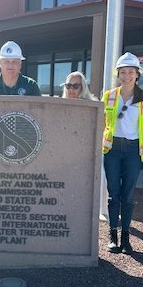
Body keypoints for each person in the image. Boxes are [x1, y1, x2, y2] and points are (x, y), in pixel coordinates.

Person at [101, 52, 143, 255]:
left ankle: (126, 237)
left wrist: (137, 143)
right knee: (113, 193)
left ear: (137, 74)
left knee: (128, 194)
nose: (126, 76)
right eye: (123, 72)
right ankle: (112, 235)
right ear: (118, 74)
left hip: (133, 150)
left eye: (130, 72)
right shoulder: (109, 96)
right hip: (112, 149)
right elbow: (102, 122)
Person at [60, 71, 109, 223]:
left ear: (83, 87)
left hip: (84, 158)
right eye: (68, 86)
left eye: (75, 86)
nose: (71, 89)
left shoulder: (92, 107)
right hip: (64, 156)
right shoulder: (59, 106)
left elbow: (100, 131)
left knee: (82, 193)